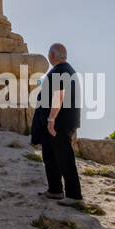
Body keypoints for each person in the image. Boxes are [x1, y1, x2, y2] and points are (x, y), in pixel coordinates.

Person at [33, 41, 83, 203]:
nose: (48, 57)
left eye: (49, 54)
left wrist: (50, 120)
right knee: (51, 157)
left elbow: (59, 96)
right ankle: (55, 190)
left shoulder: (62, 71)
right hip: (57, 123)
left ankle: (74, 196)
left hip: (59, 123)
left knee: (64, 158)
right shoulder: (63, 70)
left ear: (52, 55)